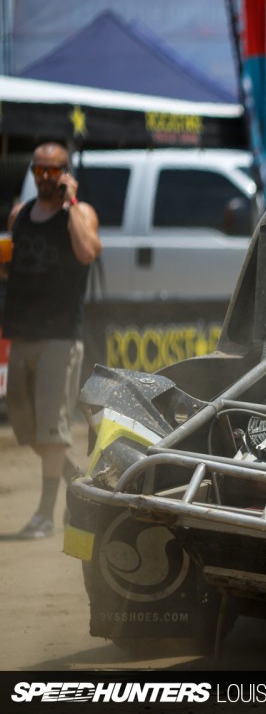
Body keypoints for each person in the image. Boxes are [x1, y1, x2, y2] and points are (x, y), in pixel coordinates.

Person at [2, 142, 102, 538]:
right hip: (22, 331)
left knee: (52, 428)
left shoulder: (80, 213)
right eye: (39, 170)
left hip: (60, 335)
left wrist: (70, 202)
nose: (45, 177)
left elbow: (87, 252)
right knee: (25, 426)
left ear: (65, 172)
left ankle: (45, 515)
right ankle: (74, 477)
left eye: (53, 170)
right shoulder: (20, 214)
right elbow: (15, 267)